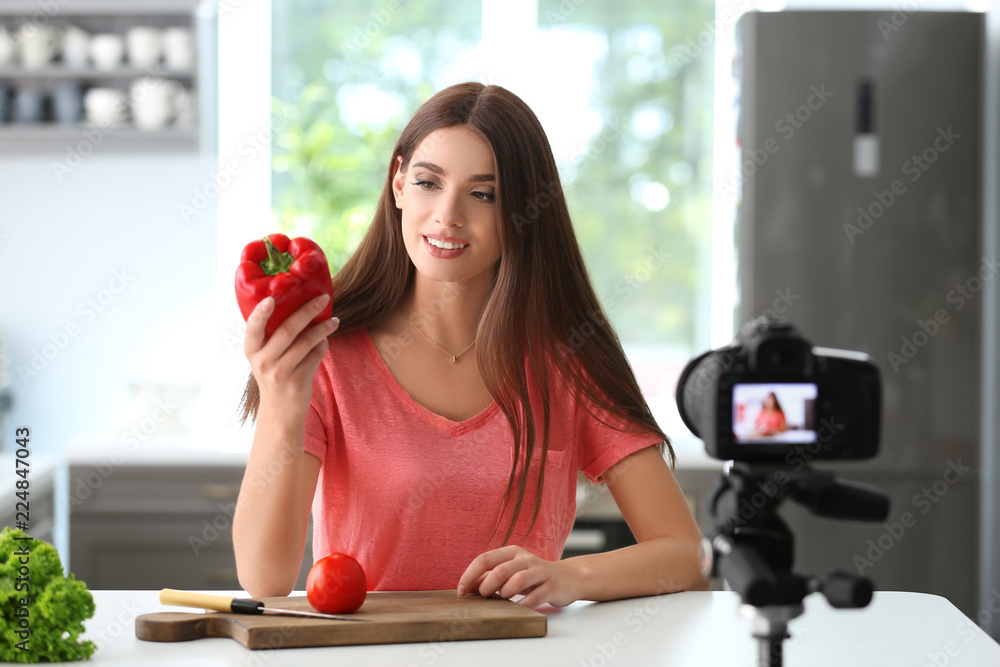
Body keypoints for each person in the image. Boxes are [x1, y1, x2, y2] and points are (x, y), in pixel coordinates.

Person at [232, 82, 707, 609]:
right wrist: (281, 402)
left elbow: (685, 556)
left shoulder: (568, 358)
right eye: (428, 183)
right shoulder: (329, 354)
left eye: (484, 194)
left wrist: (572, 577)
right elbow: (264, 580)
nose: (448, 215)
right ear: (397, 186)